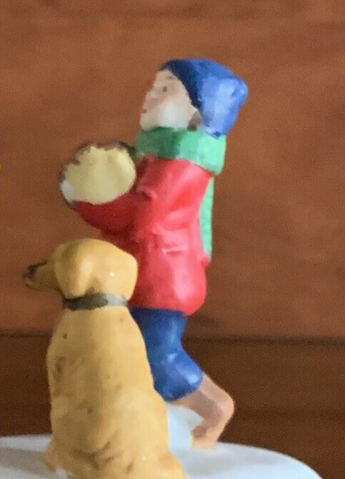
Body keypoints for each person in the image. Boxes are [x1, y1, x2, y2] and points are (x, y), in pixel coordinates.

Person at [60, 58, 248, 447]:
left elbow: (143, 217)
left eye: (165, 90)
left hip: (161, 278)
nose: (150, 95)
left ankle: (213, 407)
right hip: (138, 270)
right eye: (154, 86)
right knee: (124, 353)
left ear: (197, 114)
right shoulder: (153, 152)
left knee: (155, 358)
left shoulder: (183, 161)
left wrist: (90, 198)